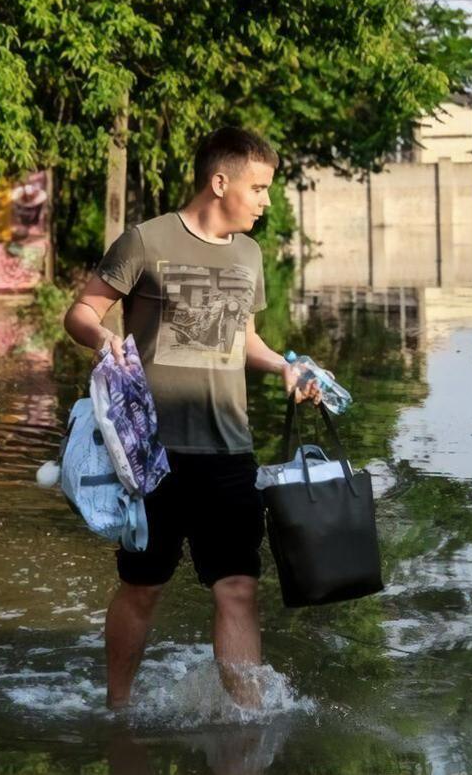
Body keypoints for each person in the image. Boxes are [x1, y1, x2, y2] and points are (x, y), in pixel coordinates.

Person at [63, 126, 324, 710]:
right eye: (258, 188)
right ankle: (119, 710)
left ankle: (247, 721)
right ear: (220, 181)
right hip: (151, 456)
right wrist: (100, 335)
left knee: (237, 588)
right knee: (143, 588)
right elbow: (81, 309)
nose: (265, 201)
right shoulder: (145, 241)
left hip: (230, 452)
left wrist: (284, 365)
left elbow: (244, 340)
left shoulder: (249, 254)